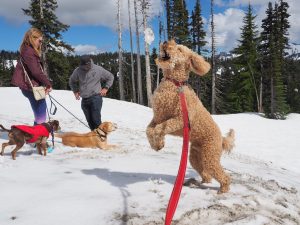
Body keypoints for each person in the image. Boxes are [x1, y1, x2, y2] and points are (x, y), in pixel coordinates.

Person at [11, 27, 52, 125]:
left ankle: (37, 137)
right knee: (41, 116)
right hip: (31, 87)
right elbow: (36, 72)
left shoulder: (26, 50)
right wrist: (48, 84)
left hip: (29, 87)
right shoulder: (29, 52)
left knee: (39, 114)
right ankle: (39, 138)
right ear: (33, 39)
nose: (40, 43)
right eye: (40, 40)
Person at [69, 55, 114, 130]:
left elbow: (110, 77)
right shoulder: (78, 70)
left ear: (90, 63)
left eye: (87, 66)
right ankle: (94, 139)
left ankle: (101, 139)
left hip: (95, 97)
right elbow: (71, 81)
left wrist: (106, 88)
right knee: (90, 121)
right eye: (83, 66)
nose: (85, 68)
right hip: (84, 99)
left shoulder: (98, 69)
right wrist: (75, 91)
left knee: (96, 120)